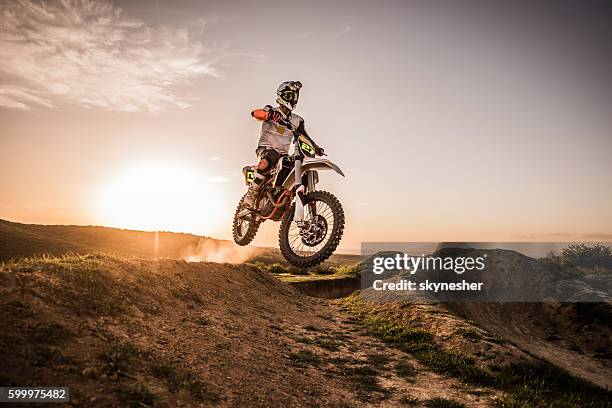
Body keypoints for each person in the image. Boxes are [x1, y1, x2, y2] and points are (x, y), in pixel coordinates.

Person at [243, 81, 324, 208]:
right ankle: (251, 194)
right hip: (266, 149)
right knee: (270, 158)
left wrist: (316, 147)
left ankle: (293, 198)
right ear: (281, 95)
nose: (293, 99)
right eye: (290, 95)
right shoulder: (271, 110)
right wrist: (268, 115)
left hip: (283, 155)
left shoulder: (298, 120)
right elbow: (256, 114)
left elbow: (305, 136)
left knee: (301, 168)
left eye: (295, 96)